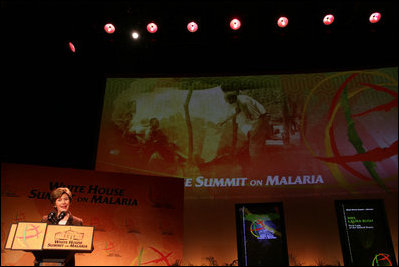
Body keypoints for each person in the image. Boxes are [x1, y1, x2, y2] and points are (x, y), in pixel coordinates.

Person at [218, 92, 272, 173]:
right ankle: (259, 164)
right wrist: (223, 121)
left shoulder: (244, 101)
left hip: (260, 119)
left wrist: (252, 128)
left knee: (254, 144)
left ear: (232, 99)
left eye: (229, 102)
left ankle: (257, 167)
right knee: (255, 143)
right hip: (256, 120)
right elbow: (237, 112)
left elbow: (257, 116)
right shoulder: (239, 100)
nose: (229, 104)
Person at [35, 187, 83, 266]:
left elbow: (85, 244)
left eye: (66, 199)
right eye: (59, 200)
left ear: (70, 201)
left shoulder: (77, 222)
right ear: (54, 203)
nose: (63, 202)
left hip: (66, 262)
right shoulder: (46, 220)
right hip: (44, 261)